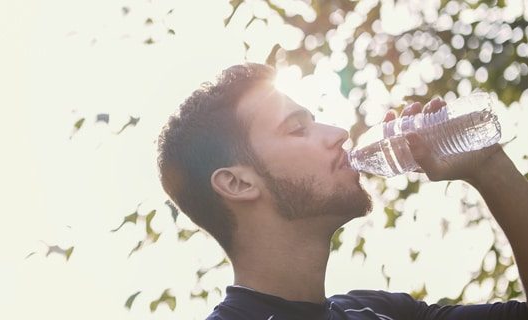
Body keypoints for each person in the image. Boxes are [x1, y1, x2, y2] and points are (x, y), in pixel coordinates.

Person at [156, 63, 528, 319]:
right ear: (238, 183)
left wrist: (489, 167)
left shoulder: (380, 312)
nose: (339, 134)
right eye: (297, 128)